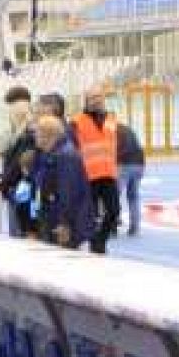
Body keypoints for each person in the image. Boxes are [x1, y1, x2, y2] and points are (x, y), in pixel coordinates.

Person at [31, 115, 95, 252]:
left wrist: (65, 224)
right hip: (52, 217)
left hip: (65, 223)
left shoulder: (65, 156)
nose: (34, 136)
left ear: (47, 135)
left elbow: (69, 193)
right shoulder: (51, 154)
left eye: (36, 133)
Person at [71, 90, 121, 255]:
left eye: (99, 97)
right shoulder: (77, 122)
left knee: (114, 211)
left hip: (108, 174)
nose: (96, 100)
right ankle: (94, 242)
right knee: (89, 214)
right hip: (88, 175)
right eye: (92, 98)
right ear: (86, 101)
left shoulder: (112, 119)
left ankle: (100, 239)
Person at [0, 86, 37, 238]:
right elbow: (9, 161)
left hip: (22, 190)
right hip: (14, 188)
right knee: (17, 233)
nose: (9, 114)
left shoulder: (29, 133)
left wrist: (2, 182)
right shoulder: (14, 133)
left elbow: (18, 163)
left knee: (22, 234)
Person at [115, 118, 145, 237]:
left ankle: (112, 225)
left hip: (124, 165)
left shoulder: (112, 131)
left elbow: (120, 150)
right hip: (139, 164)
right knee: (133, 197)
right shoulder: (128, 129)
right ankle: (134, 227)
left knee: (114, 196)